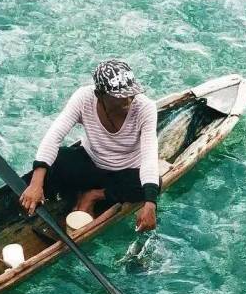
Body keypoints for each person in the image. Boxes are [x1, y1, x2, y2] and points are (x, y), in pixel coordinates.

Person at [19, 59, 159, 232]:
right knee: (58, 160)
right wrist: (35, 183)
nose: (129, 100)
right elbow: (54, 136)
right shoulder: (84, 98)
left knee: (150, 186)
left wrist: (150, 205)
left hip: (125, 174)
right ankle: (23, 200)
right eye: (121, 96)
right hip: (91, 164)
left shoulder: (145, 108)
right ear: (100, 94)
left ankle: (93, 195)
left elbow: (149, 158)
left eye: (131, 94)